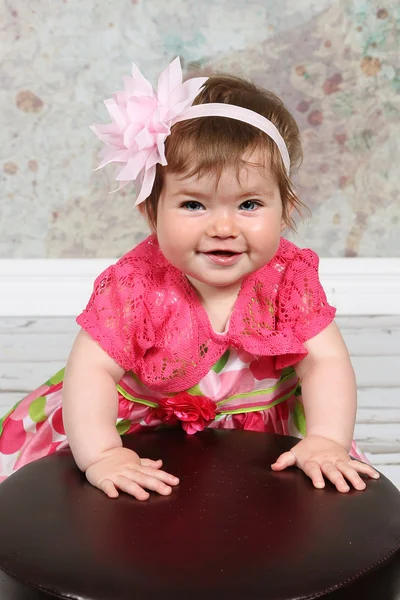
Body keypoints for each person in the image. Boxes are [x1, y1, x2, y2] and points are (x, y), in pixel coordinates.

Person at [0, 57, 379, 497]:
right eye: (194, 205)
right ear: (151, 211)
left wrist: (327, 440)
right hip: (133, 427)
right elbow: (90, 372)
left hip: (256, 433)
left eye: (250, 205)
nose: (223, 227)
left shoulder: (287, 277)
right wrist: (103, 453)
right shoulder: (136, 285)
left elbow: (325, 362)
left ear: (285, 211)